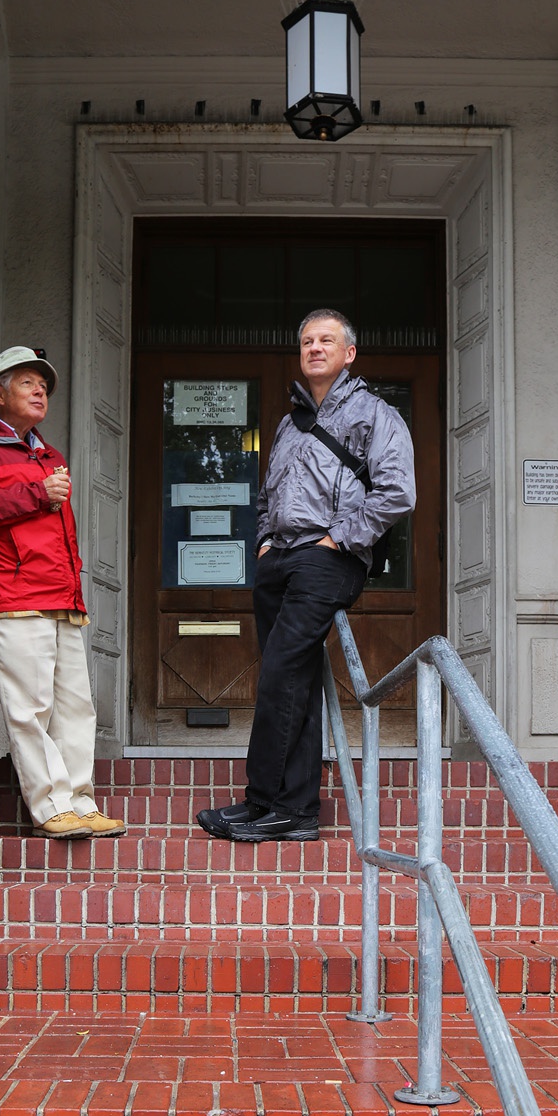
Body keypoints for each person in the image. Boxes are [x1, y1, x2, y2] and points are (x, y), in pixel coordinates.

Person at [197, 310, 415, 843]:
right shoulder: (287, 423)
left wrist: (337, 539)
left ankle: (270, 804)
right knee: (290, 677)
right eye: (307, 341)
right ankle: (289, 808)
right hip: (280, 559)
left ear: (349, 354)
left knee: (281, 673)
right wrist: (264, 542)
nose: (315, 348)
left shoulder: (375, 414)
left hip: (329, 557)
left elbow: (398, 493)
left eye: (326, 340)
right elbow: (268, 494)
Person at [0, 346, 125, 841]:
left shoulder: (49, 453)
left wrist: (74, 589)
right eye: (28, 382)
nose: (40, 391)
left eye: (43, 385)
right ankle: (50, 806)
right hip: (13, 594)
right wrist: (35, 494)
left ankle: (81, 803)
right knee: (31, 709)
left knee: (76, 709)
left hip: (60, 597)